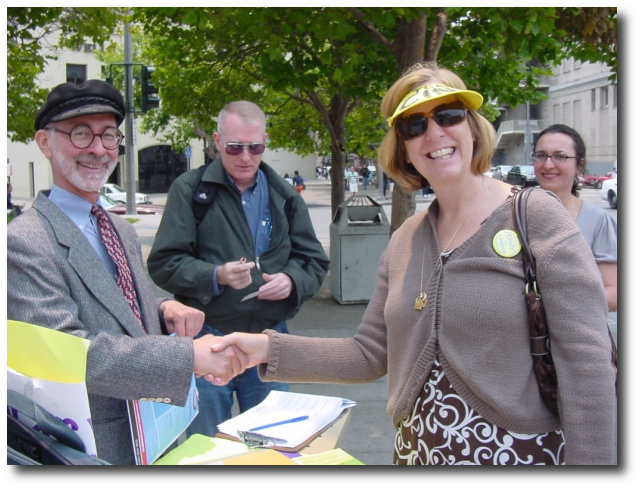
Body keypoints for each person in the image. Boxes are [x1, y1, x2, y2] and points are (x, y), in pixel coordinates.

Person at [213, 62, 616, 465]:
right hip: (416, 454)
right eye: (414, 125)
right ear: (402, 147)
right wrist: (265, 348)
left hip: (519, 454)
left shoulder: (535, 215)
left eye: (449, 115)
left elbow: (587, 364)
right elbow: (370, 353)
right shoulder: (405, 239)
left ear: (473, 126)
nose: (434, 132)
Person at [6, 80, 247, 465]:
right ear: (45, 143)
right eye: (81, 134)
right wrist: (187, 356)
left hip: (151, 436)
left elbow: (112, 305)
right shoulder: (23, 241)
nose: (98, 149)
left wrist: (163, 309)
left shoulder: (120, 230)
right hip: (90, 447)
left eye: (107, 135)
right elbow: (69, 354)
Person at [147, 100, 329, 438]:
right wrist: (215, 275)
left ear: (265, 141)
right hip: (208, 342)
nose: (245, 156)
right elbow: (163, 263)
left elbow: (314, 261)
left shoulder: (284, 196)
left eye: (255, 146)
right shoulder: (189, 191)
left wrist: (291, 281)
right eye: (235, 147)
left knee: (270, 446)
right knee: (207, 447)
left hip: (268, 341)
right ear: (217, 142)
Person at [533, 124, 617, 311]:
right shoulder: (511, 212)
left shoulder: (598, 221)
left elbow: (614, 292)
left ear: (580, 165)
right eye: (541, 156)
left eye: (560, 156)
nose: (548, 165)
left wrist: (553, 300)